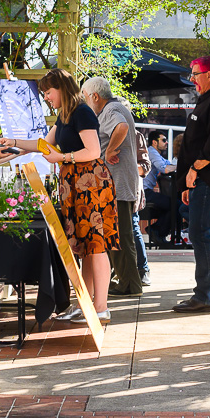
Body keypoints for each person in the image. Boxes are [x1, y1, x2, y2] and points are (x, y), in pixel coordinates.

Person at [0, 69, 116, 323]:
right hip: (77, 186)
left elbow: (93, 151)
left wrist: (63, 158)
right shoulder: (65, 115)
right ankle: (86, 304)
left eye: (48, 92)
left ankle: (101, 307)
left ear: (62, 88)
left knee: (96, 246)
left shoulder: (82, 112)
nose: (47, 97)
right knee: (86, 247)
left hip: (92, 185)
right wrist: (15, 144)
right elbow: (44, 144)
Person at [173, 55, 210, 313]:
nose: (192, 79)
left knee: (200, 234)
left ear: (209, 75)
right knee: (209, 236)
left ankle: (204, 296)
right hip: (201, 180)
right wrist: (188, 181)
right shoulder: (207, 100)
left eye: (196, 74)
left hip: (208, 179)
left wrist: (194, 170)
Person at [81, 76, 143, 297]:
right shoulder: (114, 107)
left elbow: (122, 126)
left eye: (86, 97)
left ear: (95, 96)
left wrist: (109, 151)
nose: (86, 101)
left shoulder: (110, 110)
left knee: (121, 234)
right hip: (119, 181)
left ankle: (130, 284)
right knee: (118, 234)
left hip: (117, 182)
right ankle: (125, 281)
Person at [142, 130, 176, 244]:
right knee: (174, 204)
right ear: (154, 142)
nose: (166, 143)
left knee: (171, 204)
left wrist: (176, 166)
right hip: (144, 192)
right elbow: (165, 168)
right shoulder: (151, 152)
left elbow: (168, 164)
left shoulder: (156, 154)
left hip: (146, 192)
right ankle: (156, 231)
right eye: (164, 140)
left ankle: (157, 232)